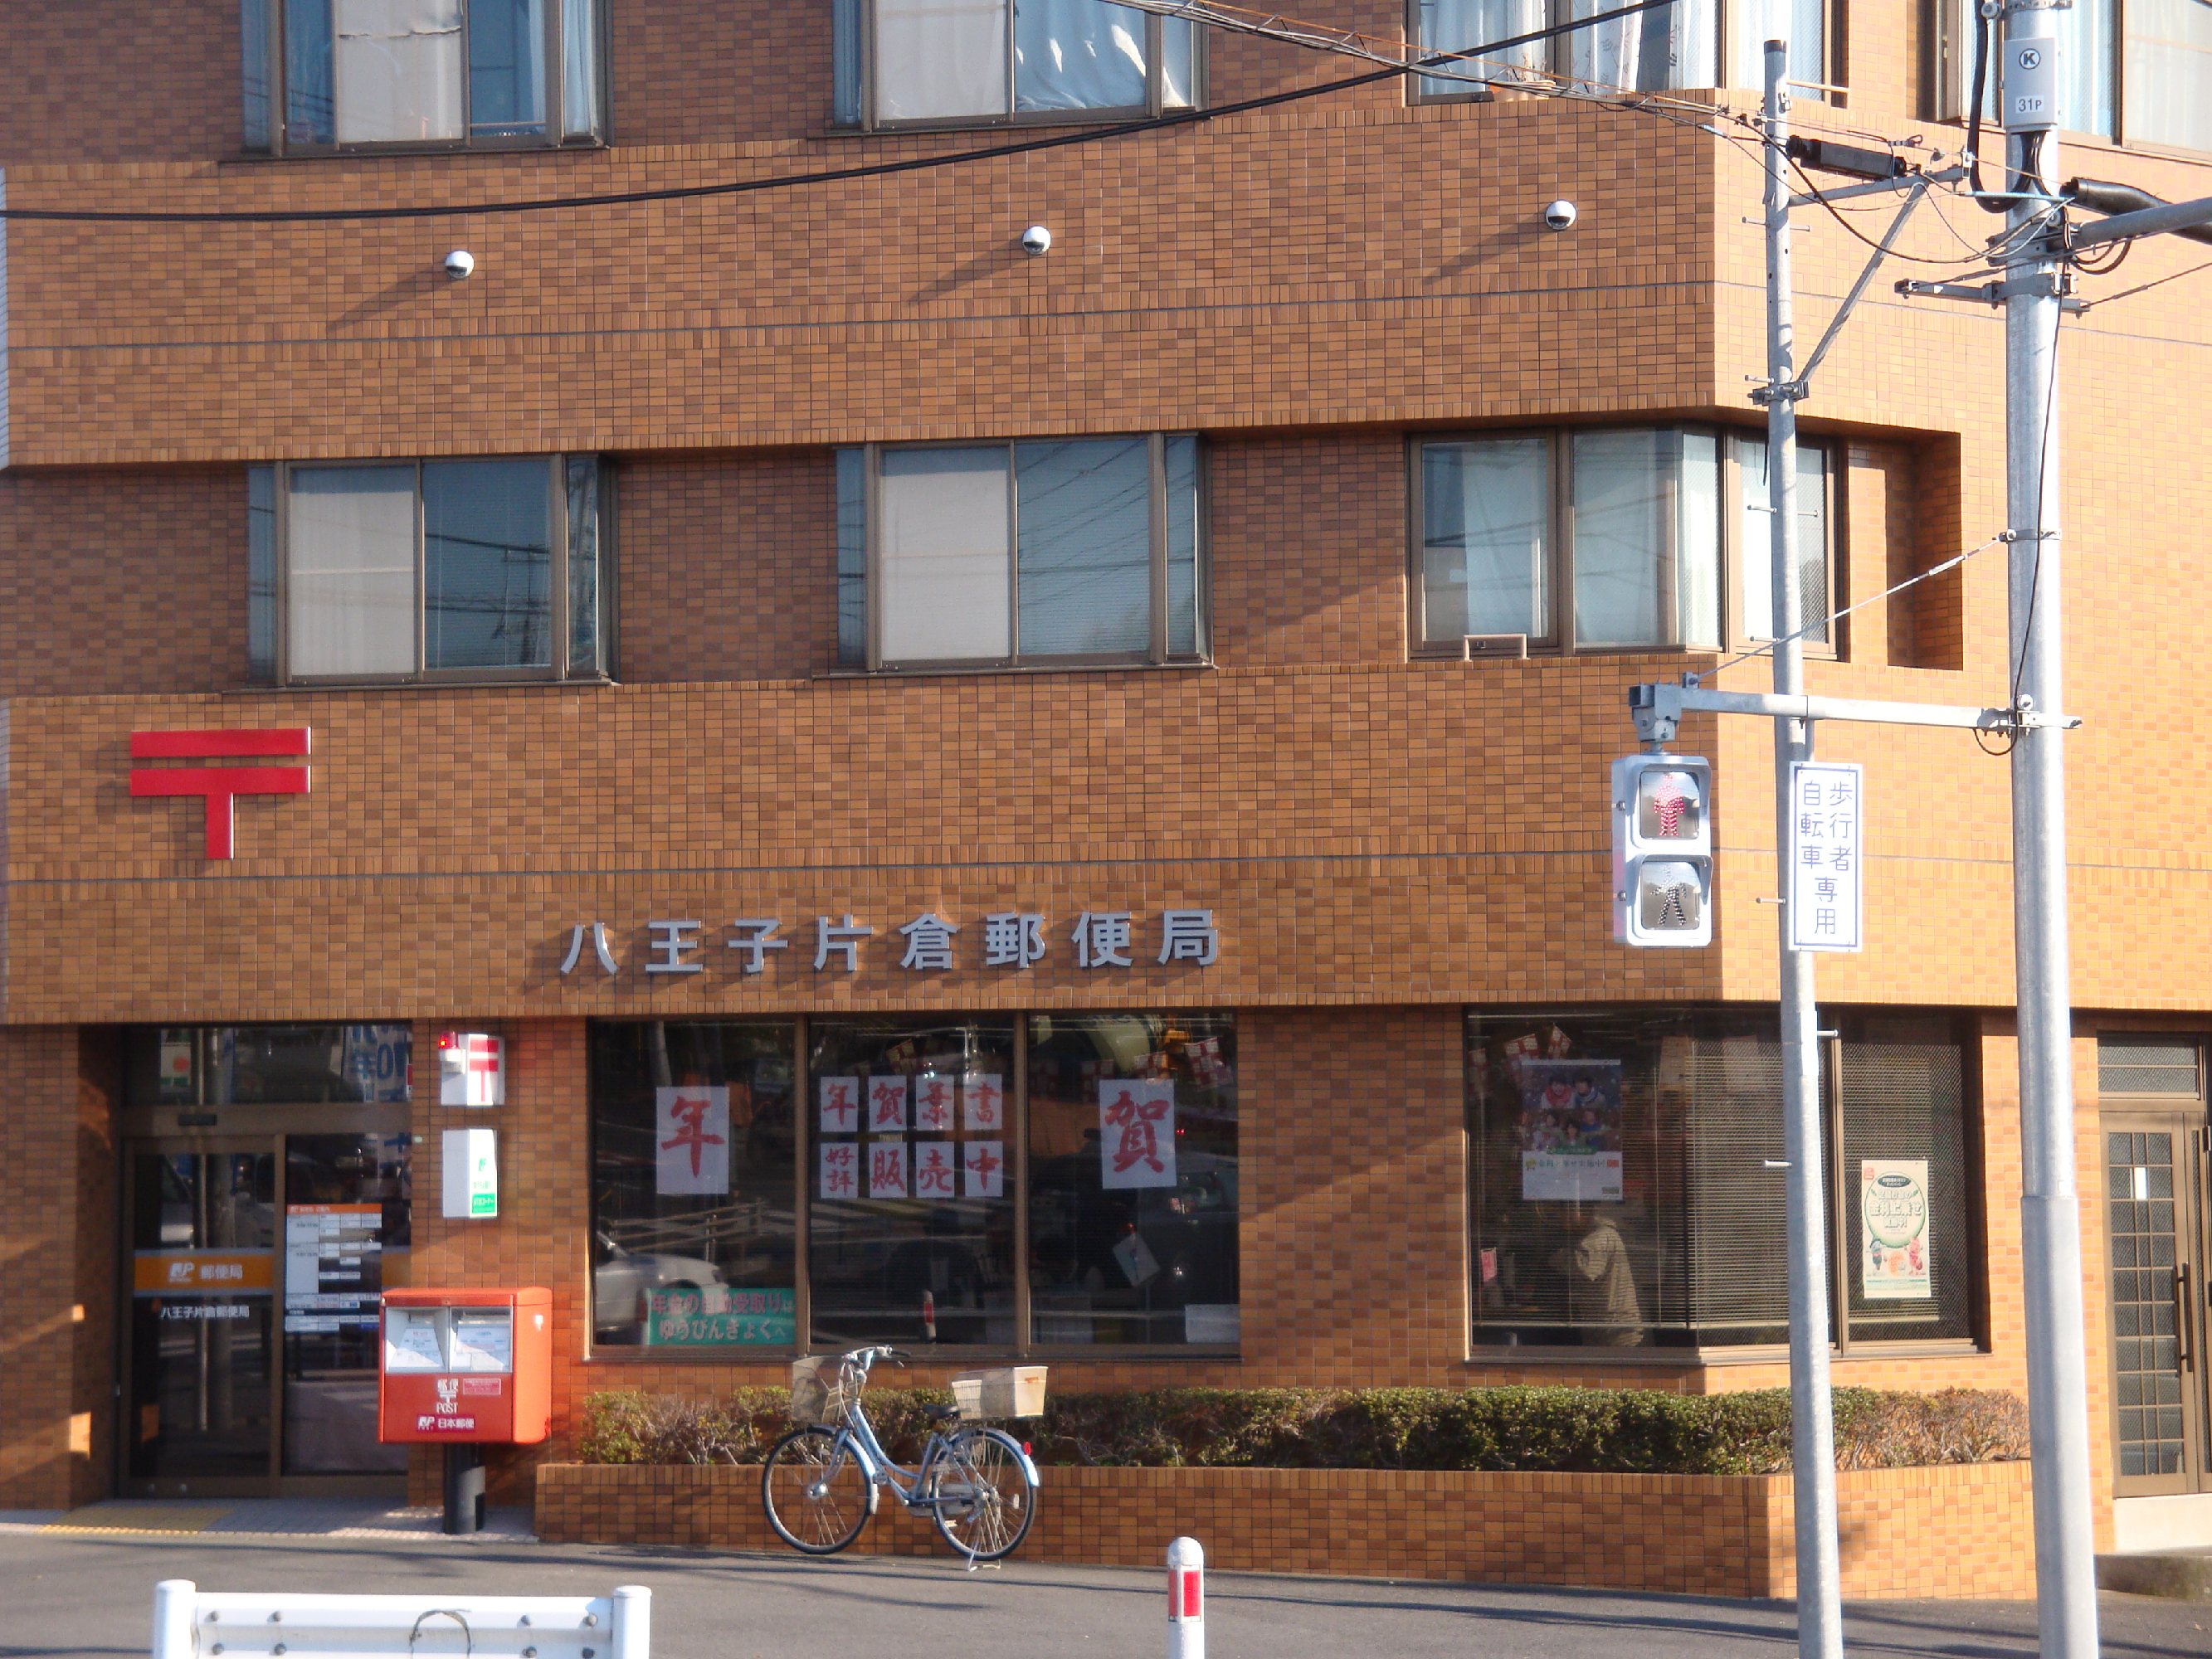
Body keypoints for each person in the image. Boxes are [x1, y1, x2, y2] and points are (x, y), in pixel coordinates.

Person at [1552, 1206, 1644, 1346]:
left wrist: (1556, 1257)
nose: (1560, 1219)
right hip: (1601, 1327)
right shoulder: (1592, 1235)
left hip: (1617, 1330)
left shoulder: (1600, 1236)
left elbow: (1586, 1269)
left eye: (1562, 1213)